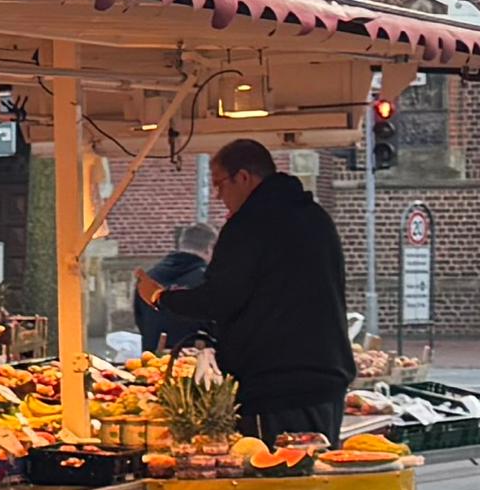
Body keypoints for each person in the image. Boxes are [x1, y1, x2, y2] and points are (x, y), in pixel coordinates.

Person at [137, 138, 357, 435]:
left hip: (275, 387)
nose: (217, 196)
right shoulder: (316, 218)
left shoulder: (249, 226)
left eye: (220, 185)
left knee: (273, 476)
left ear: (243, 177)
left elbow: (219, 298)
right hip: (326, 379)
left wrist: (159, 297)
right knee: (311, 476)